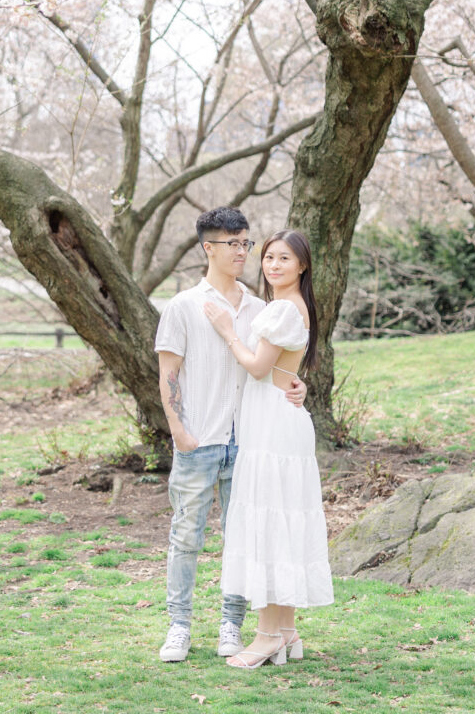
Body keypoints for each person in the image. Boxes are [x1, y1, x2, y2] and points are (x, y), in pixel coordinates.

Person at [154, 207, 307, 663]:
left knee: (244, 538)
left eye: (246, 243)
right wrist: (178, 429)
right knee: (186, 537)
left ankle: (231, 624)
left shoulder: (262, 308)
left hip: (251, 441)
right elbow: (168, 372)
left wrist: (298, 385)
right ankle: (179, 626)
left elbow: (274, 365)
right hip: (200, 439)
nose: (243, 252)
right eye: (233, 244)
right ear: (209, 248)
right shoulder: (183, 305)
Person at [204, 229, 334, 670]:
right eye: (269, 257)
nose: (273, 265)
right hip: (278, 418)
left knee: (268, 522)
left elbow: (259, 367)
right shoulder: (292, 307)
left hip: (274, 427)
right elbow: (282, 369)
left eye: (284, 259)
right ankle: (285, 631)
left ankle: (264, 638)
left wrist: (227, 331)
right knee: (278, 521)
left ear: (302, 266)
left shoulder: (283, 308)